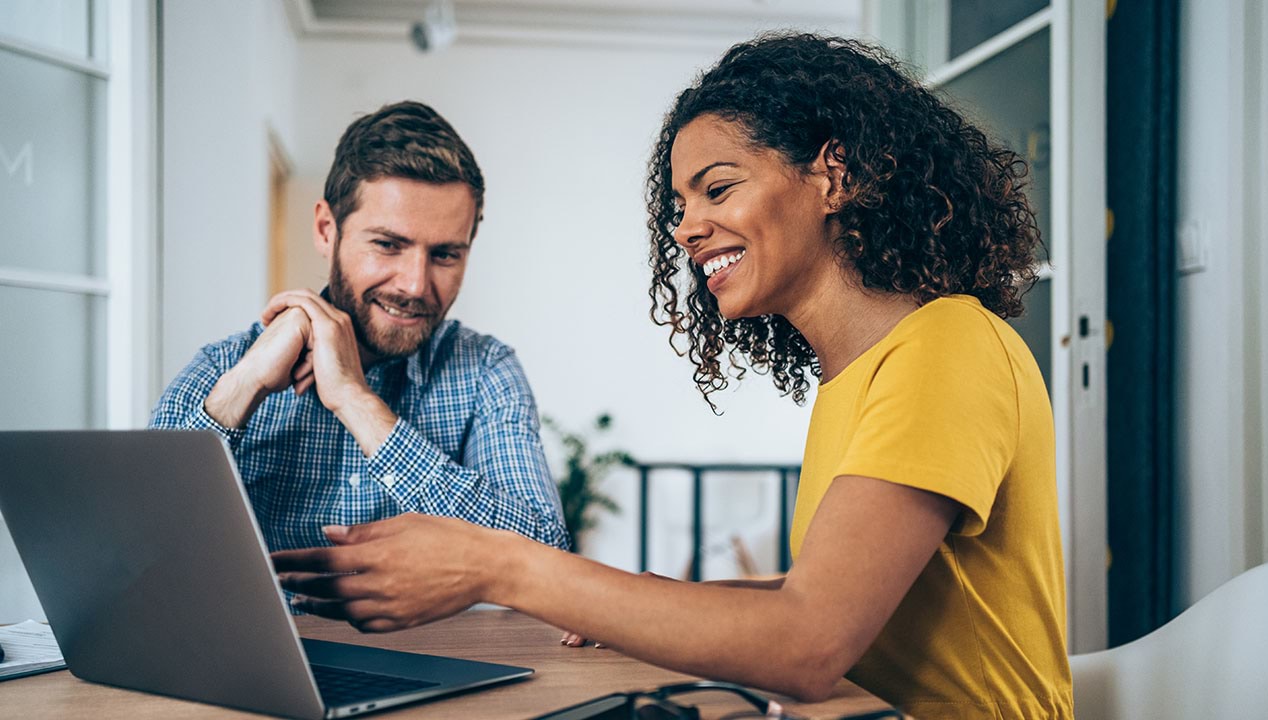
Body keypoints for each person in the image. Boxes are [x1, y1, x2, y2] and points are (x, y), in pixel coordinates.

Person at [272, 35, 1072, 718]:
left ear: (835, 176)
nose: (686, 227)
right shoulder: (858, 376)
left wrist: (496, 563)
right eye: (678, 206)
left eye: (716, 188)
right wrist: (647, 601)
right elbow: (847, 603)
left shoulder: (945, 349)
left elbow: (810, 643)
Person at [150, 101, 569, 560]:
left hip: (431, 638)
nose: (415, 284)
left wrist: (356, 400)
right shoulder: (224, 367)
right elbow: (140, 543)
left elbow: (545, 557)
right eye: (388, 245)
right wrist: (241, 389)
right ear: (327, 230)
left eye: (445, 255)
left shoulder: (486, 370)